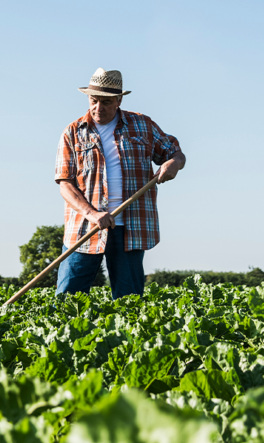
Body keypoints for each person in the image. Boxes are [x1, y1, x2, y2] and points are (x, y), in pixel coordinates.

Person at [54, 68, 186, 298]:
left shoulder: (143, 126)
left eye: (105, 102)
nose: (98, 108)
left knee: (129, 302)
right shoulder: (73, 132)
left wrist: (173, 164)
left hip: (131, 227)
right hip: (85, 227)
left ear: (119, 100)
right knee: (68, 298)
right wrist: (92, 214)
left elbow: (175, 153)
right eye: (94, 101)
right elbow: (65, 182)